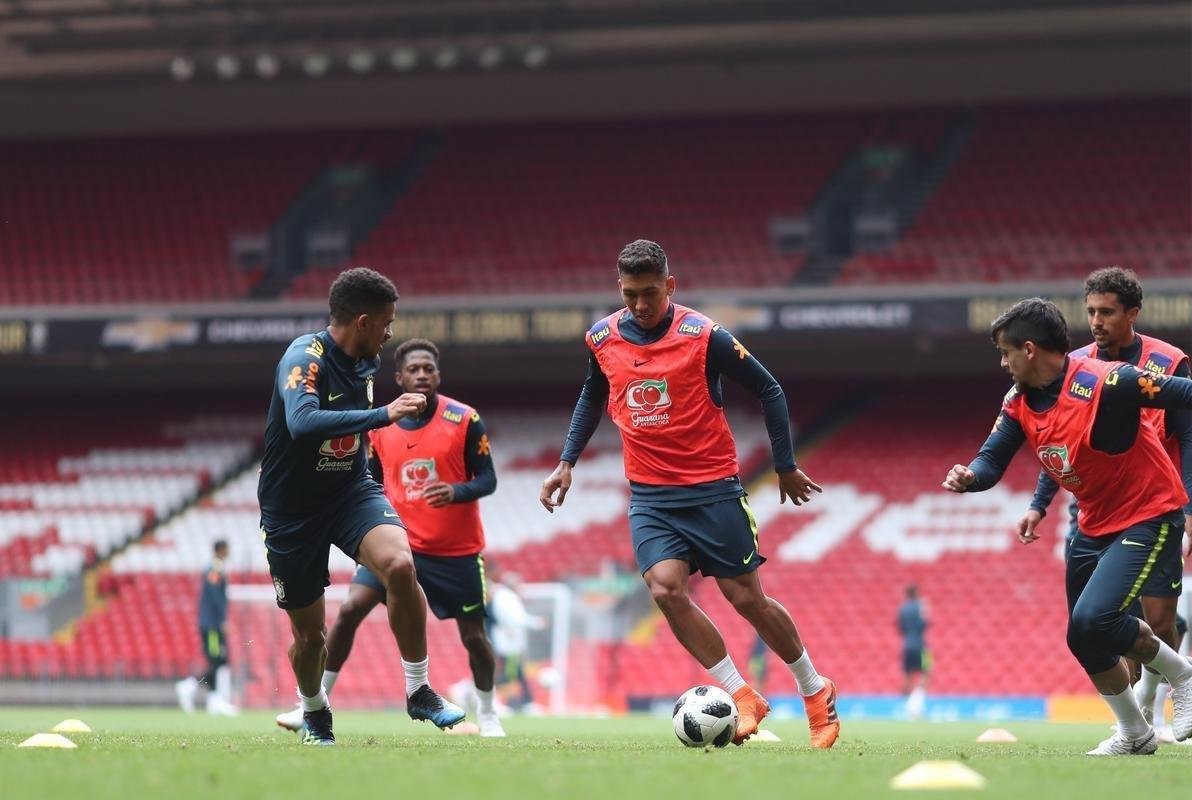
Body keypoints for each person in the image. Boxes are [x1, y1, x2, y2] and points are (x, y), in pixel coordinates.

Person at [539, 239, 839, 748]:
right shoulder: (601, 338)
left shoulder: (705, 336)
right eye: (630, 294)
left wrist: (785, 466)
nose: (639, 304)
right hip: (652, 496)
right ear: (619, 288)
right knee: (663, 589)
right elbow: (594, 392)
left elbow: (770, 389)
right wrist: (567, 461)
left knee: (746, 599)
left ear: (670, 286)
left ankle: (814, 690)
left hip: (713, 489)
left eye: (650, 293)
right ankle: (741, 694)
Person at [941, 297, 1192, 755]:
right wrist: (970, 476)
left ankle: (1186, 675)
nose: (1002, 363)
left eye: (1005, 353)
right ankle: (1135, 734)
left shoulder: (1111, 381)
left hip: (1148, 513)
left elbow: (1189, 395)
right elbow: (992, 457)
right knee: (1083, 636)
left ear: (1029, 349)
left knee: (1093, 618)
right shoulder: (1019, 401)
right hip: (1091, 521)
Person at [258, 267, 464, 746]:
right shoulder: (302, 358)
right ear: (365, 321)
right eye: (388, 323)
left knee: (398, 562)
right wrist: (384, 414)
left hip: (350, 494)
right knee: (311, 638)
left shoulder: (365, 359)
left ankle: (419, 690)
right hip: (292, 511)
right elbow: (303, 422)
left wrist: (369, 475)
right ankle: (314, 711)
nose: (392, 333)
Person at [275, 338, 503, 737]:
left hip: (454, 550)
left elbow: (489, 478)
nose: (421, 375)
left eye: (428, 369)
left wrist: (456, 491)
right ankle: (311, 703)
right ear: (398, 378)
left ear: (437, 374)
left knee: (475, 637)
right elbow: (371, 482)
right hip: (399, 543)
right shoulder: (380, 424)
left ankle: (488, 712)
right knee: (348, 612)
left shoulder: (465, 419)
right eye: (413, 370)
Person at [1017, 268, 1192, 740]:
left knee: (1155, 618)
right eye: (1091, 311)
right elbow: (1053, 441)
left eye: (1107, 312)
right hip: (1094, 510)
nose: (1096, 321)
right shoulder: (1072, 365)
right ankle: (1138, 721)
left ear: (1132, 313)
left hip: (1151, 503)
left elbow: (1190, 429)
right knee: (1092, 625)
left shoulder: (1167, 360)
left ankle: (1158, 704)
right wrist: (1039, 502)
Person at [175, 539, 239, 716]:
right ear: (220, 550)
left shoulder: (216, 569)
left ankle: (213, 699)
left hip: (212, 623)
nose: (229, 552)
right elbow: (215, 597)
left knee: (219, 661)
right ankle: (190, 687)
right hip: (212, 624)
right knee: (216, 660)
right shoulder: (215, 570)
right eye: (227, 549)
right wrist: (222, 620)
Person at [489, 570, 545, 712]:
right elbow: (515, 619)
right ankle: (499, 702)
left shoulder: (507, 596)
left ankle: (524, 702)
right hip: (506, 644)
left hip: (511, 644)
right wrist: (537, 622)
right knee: (507, 673)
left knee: (515, 673)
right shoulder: (505, 597)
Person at [897, 584, 930, 719]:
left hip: (906, 645)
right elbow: (924, 624)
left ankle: (905, 706)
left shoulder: (902, 609)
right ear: (916, 592)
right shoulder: (921, 606)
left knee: (907, 676)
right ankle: (915, 705)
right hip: (921, 646)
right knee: (927, 672)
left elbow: (901, 628)